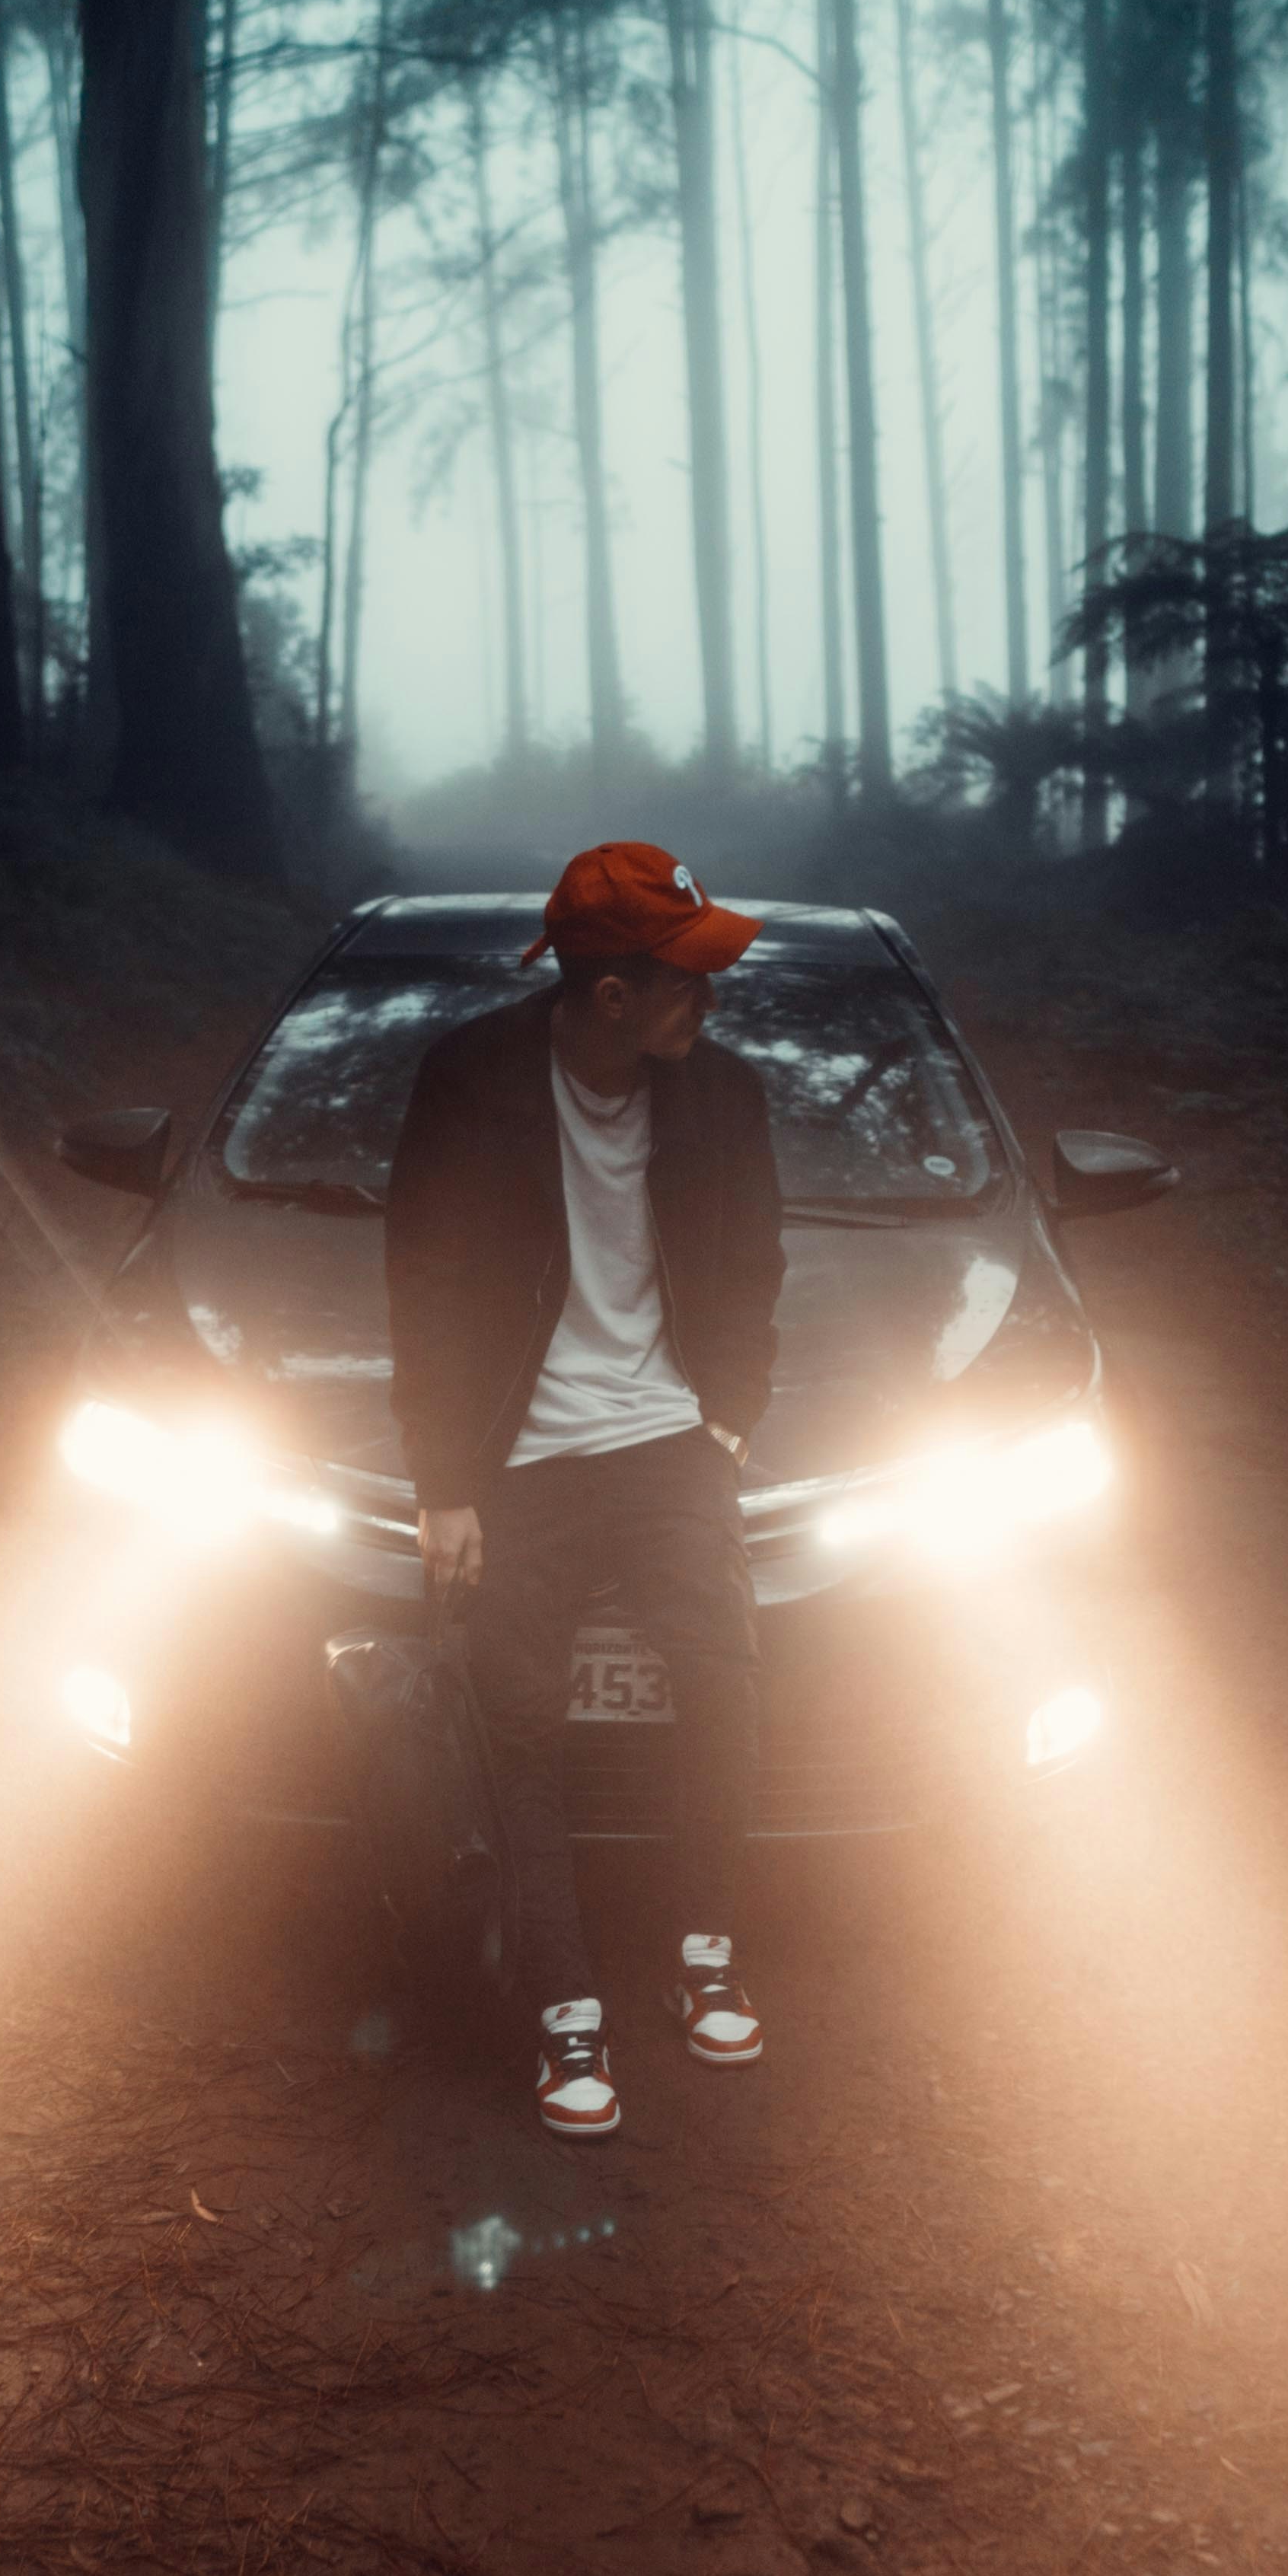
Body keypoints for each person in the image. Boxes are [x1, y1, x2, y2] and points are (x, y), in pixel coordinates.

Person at [384, 842, 787, 2137]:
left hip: (670, 1438)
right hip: (522, 1456)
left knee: (720, 1681)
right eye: (688, 980)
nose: (707, 1002)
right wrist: (446, 1485)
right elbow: (426, 1287)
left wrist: (727, 1419)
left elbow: (753, 1267)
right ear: (613, 996)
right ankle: (567, 2018)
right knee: (520, 1725)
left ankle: (704, 1954)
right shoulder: (470, 1081)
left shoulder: (721, 1095)